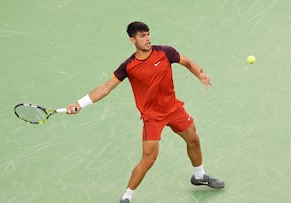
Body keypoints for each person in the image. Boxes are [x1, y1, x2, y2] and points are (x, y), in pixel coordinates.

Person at [66, 21, 225, 203]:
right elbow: (106, 86)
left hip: (174, 109)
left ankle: (199, 175)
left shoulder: (165, 52)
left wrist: (200, 74)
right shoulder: (129, 66)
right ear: (133, 40)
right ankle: (127, 196)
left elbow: (188, 62)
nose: (147, 38)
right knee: (149, 158)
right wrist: (80, 104)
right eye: (142, 36)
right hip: (152, 117)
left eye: (148, 34)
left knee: (193, 139)